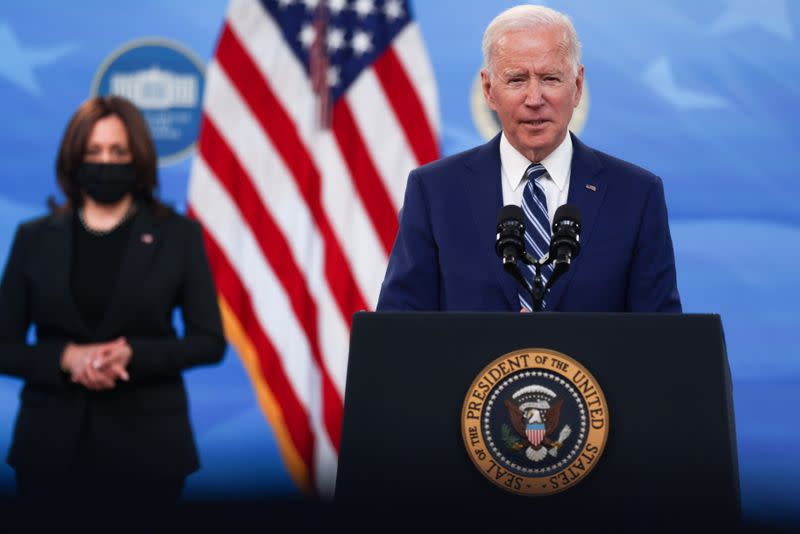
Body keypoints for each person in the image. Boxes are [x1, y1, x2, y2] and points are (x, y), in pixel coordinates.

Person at [377, 4, 681, 313]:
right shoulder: (434, 192)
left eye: (550, 78)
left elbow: (660, 341)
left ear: (576, 86)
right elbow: (400, 332)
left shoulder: (635, 195)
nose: (534, 99)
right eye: (517, 80)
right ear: (488, 89)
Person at [0, 96, 226, 507]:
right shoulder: (33, 238)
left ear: (138, 157)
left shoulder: (179, 236)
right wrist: (66, 358)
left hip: (150, 451)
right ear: (74, 158)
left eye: (118, 151)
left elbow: (210, 341)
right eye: (94, 151)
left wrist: (131, 355)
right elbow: (3, 346)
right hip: (50, 448)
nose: (106, 161)